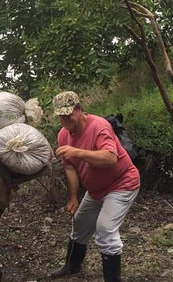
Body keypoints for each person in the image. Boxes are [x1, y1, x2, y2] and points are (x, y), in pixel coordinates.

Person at [49, 91, 140, 281]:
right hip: (96, 190)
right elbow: (71, 169)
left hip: (122, 183)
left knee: (105, 229)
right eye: (61, 116)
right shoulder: (63, 135)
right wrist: (73, 197)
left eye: (69, 114)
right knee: (80, 224)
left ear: (79, 109)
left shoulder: (99, 126)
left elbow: (110, 158)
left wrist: (77, 152)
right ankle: (72, 266)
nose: (65, 120)